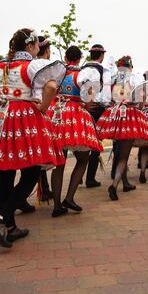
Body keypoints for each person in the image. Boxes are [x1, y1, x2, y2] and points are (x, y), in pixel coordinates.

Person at [0, 28, 66, 248]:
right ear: (29, 47)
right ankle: (2, 219)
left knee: (5, 174)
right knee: (31, 172)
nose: (38, 49)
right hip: (24, 120)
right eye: (37, 46)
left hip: (0, 119)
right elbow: (51, 86)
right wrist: (44, 107)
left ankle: (10, 229)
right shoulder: (32, 66)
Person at [49, 46, 103, 217]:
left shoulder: (57, 73)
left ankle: (57, 205)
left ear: (65, 57)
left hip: (56, 114)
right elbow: (88, 97)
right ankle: (69, 198)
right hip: (75, 116)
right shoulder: (84, 74)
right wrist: (86, 103)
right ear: (80, 58)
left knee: (59, 162)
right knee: (83, 158)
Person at [96, 55, 148, 200]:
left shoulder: (114, 79)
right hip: (130, 116)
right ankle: (114, 185)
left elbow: (105, 99)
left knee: (120, 151)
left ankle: (125, 182)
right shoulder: (135, 77)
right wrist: (139, 106)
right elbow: (142, 99)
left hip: (115, 114)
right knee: (124, 156)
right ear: (130, 66)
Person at [80, 45, 112, 188]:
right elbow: (105, 94)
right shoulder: (104, 71)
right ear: (102, 56)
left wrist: (85, 101)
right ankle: (90, 178)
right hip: (97, 109)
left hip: (83, 108)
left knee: (83, 142)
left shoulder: (82, 68)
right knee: (95, 144)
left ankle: (79, 173)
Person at [36, 36, 53, 201]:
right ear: (46, 50)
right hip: (44, 110)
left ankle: (44, 189)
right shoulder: (49, 67)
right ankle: (45, 189)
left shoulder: (31, 65)